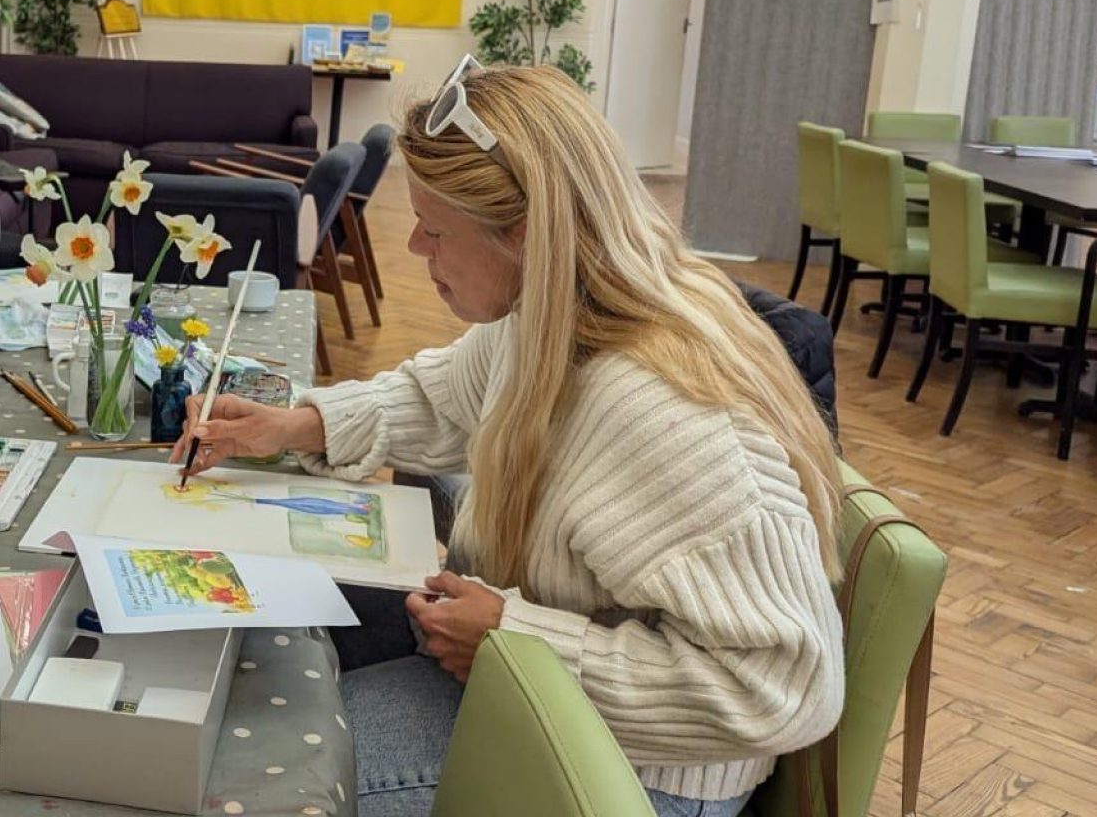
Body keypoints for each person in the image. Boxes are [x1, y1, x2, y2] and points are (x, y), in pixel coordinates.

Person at [175, 63, 845, 817]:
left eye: (434, 231)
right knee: (272, 642)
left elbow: (785, 687)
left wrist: (513, 638)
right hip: (536, 684)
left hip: (633, 770)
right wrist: (301, 422)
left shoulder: (662, 414)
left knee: (252, 770)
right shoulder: (549, 311)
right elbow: (444, 396)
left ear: (523, 233)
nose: (416, 251)